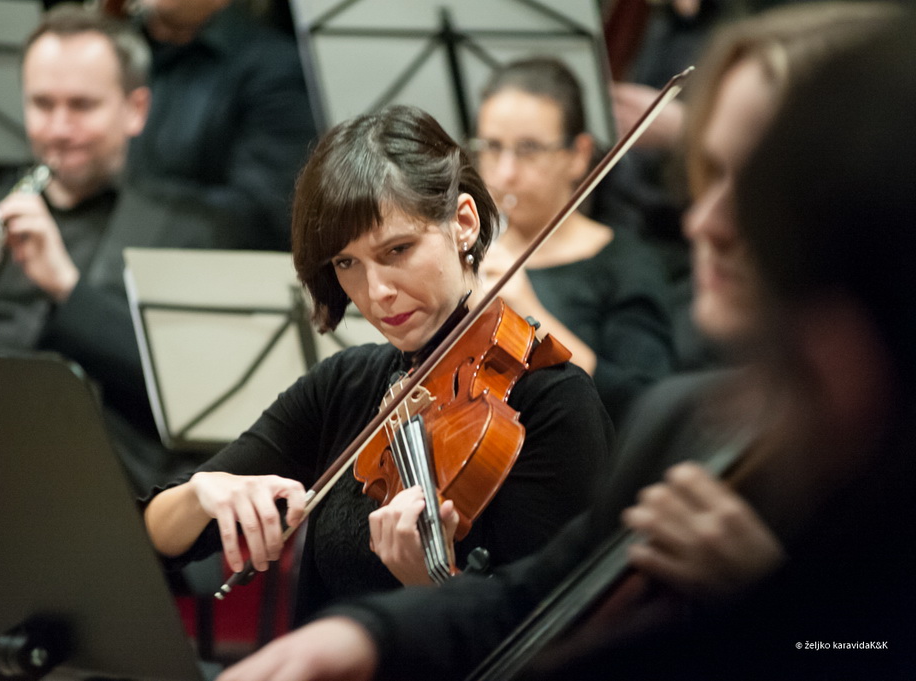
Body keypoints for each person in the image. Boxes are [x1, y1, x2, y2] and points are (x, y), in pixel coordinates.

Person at [214, 4, 910, 680]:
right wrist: (362, 634)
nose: (704, 220)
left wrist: (774, 606)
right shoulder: (684, 422)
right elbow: (533, 597)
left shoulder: (576, 387)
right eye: (706, 174)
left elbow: (868, 646)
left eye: (758, 182)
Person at [140, 104, 614, 625]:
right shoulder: (345, 385)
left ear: (463, 222)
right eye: (347, 264)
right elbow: (150, 537)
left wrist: (430, 583)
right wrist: (201, 494)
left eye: (397, 250)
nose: (377, 292)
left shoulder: (550, 402)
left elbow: (552, 635)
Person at [0, 4, 225, 495]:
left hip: (98, 485)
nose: (58, 128)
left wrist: (68, 287)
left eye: (81, 106)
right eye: (42, 104)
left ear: (135, 110)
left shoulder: (188, 231)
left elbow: (197, 392)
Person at [474, 57, 675, 429]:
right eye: (492, 147)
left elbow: (647, 404)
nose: (505, 173)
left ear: (578, 155)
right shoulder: (472, 254)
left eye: (529, 149)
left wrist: (530, 315)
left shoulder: (626, 263)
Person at [126, 0, 317, 251]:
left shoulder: (274, 66)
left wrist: (127, 201)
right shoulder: (108, 48)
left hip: (203, 267)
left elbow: (268, 212)